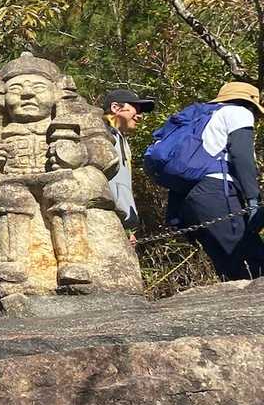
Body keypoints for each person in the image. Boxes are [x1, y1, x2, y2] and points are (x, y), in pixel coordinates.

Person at [168, 81, 264, 280]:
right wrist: (253, 198)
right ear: (250, 104)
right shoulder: (239, 112)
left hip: (190, 200)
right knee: (253, 263)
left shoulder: (203, 116)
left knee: (229, 268)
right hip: (218, 193)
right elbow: (241, 156)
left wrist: (174, 215)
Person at [101, 87, 155, 233]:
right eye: (136, 109)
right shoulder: (101, 135)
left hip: (121, 223)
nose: (140, 116)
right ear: (115, 108)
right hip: (106, 220)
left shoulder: (121, 139)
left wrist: (129, 229)